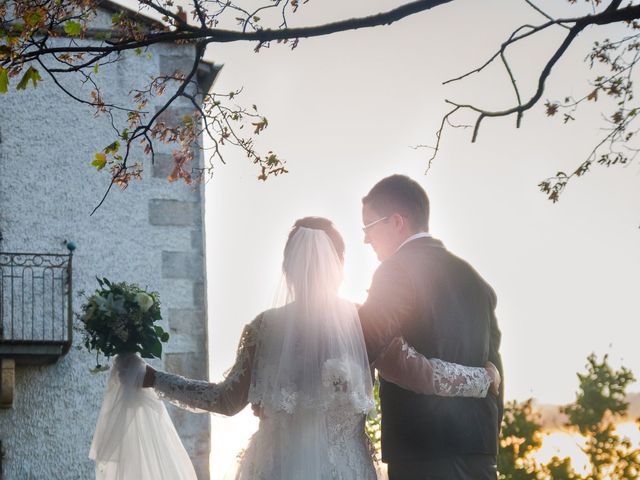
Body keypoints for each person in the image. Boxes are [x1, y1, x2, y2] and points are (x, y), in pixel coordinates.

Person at [122, 217, 500, 479]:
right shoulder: (362, 324)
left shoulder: (263, 328)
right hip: (345, 469)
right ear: (340, 267)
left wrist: (155, 379)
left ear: (287, 268)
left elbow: (224, 400)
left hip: (274, 470)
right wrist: (480, 379)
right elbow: (421, 374)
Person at [358, 175, 504, 480]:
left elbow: (365, 343)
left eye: (369, 226)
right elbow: (495, 374)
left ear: (397, 221)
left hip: (421, 450)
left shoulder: (395, 271)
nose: (366, 239)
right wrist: (488, 440)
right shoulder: (476, 281)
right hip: (480, 449)